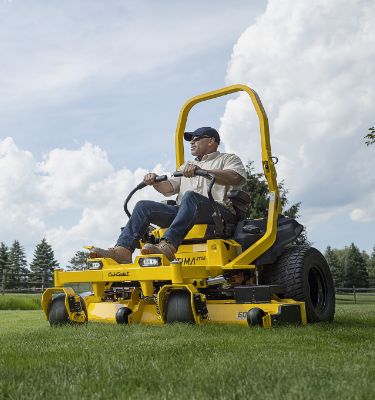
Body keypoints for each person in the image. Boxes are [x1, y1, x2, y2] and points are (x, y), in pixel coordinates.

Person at [90, 127, 247, 263]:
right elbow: (168, 188)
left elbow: (236, 177)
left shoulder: (228, 159)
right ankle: (122, 251)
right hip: (185, 212)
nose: (192, 142)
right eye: (190, 140)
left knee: (191, 197)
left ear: (211, 141)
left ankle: (168, 245)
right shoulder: (186, 166)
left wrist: (203, 172)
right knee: (143, 206)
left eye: (196, 139)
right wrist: (155, 181)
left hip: (217, 213)